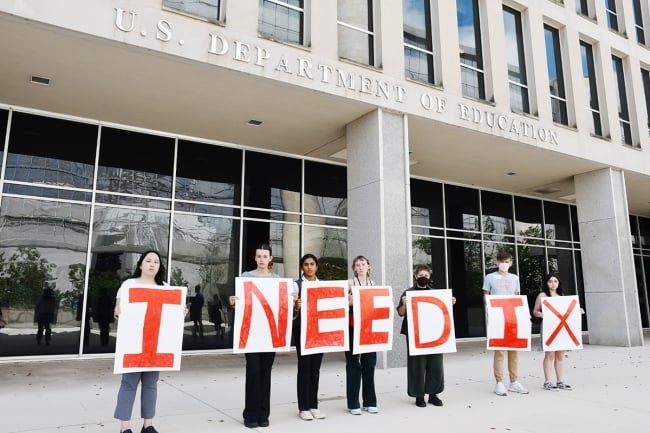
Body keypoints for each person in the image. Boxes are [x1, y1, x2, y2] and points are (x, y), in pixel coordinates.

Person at [113, 250, 178, 433]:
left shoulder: (165, 286)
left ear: (159, 266)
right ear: (140, 264)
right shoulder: (129, 285)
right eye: (148, 261)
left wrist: (180, 313)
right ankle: (125, 427)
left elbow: (171, 313)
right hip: (134, 343)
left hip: (155, 344)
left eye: (156, 262)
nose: (152, 264)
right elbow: (118, 308)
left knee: (151, 384)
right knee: (129, 383)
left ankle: (148, 425)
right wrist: (117, 310)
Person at [229, 243, 283, 429]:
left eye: (264, 256)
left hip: (270, 335)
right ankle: (250, 414)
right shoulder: (245, 277)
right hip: (251, 334)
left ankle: (263, 413)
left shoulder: (277, 279)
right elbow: (242, 303)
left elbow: (280, 306)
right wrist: (234, 301)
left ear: (270, 259)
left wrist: (290, 298)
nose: (261, 259)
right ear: (255, 258)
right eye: (258, 256)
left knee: (265, 373)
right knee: (253, 372)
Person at [397, 264, 456, 407]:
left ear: (429, 277)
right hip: (415, 334)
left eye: (426, 276)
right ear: (415, 276)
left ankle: (433, 394)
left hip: (433, 333)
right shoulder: (408, 293)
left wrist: (450, 303)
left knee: (435, 364)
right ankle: (419, 396)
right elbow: (400, 313)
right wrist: (404, 304)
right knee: (417, 365)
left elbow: (442, 312)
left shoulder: (435, 293)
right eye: (420, 275)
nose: (423, 278)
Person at [482, 251, 529, 396]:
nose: (504, 264)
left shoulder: (514, 278)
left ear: (511, 263)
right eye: (502, 261)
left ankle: (514, 381)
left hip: (512, 316)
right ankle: (499, 382)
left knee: (514, 350)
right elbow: (485, 295)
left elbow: (516, 296)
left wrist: (522, 315)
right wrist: (490, 309)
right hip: (497, 316)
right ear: (496, 262)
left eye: (507, 261)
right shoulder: (490, 277)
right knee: (500, 350)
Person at [532, 273, 584, 391]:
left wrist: (578, 310)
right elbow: (535, 311)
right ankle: (547, 381)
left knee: (560, 355)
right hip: (549, 327)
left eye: (555, 281)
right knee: (549, 355)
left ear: (559, 283)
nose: (553, 284)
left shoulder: (562, 296)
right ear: (546, 283)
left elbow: (568, 311)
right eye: (550, 281)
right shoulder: (542, 295)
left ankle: (560, 381)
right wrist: (539, 314)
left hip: (561, 329)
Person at [292, 253, 327, 421]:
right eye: (306, 264)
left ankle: (314, 405)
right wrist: (296, 307)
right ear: (302, 267)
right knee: (304, 368)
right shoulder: (296, 286)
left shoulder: (324, 286)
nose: (309, 267)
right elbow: (290, 313)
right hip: (303, 332)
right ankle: (303, 407)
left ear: (316, 266)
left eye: (312, 264)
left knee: (315, 369)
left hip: (319, 332)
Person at [345, 255, 378, 415]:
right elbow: (342, 301)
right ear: (354, 268)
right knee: (353, 365)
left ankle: (370, 401)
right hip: (352, 327)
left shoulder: (373, 284)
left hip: (369, 328)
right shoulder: (350, 283)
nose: (360, 267)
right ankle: (353, 403)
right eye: (357, 265)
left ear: (368, 266)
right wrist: (349, 300)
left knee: (369, 364)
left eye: (363, 264)